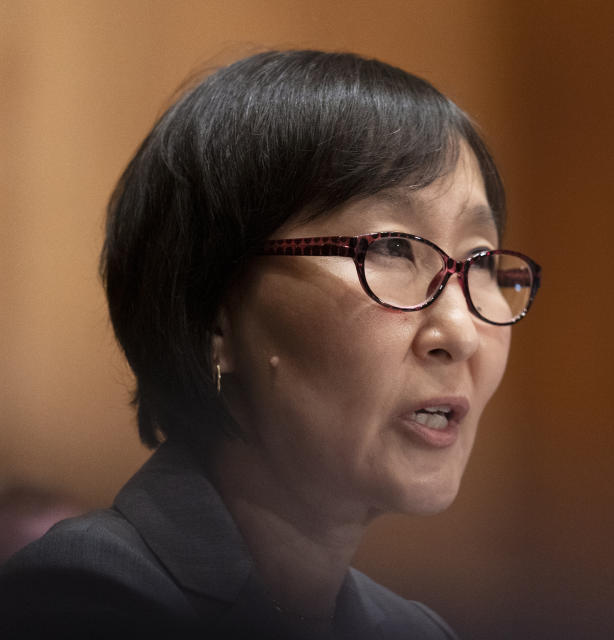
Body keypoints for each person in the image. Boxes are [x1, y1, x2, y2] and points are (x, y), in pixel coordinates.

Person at [0, 50, 540, 639]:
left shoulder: (416, 631)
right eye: (392, 249)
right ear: (217, 316)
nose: (461, 333)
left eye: (481, 260)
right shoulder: (85, 599)